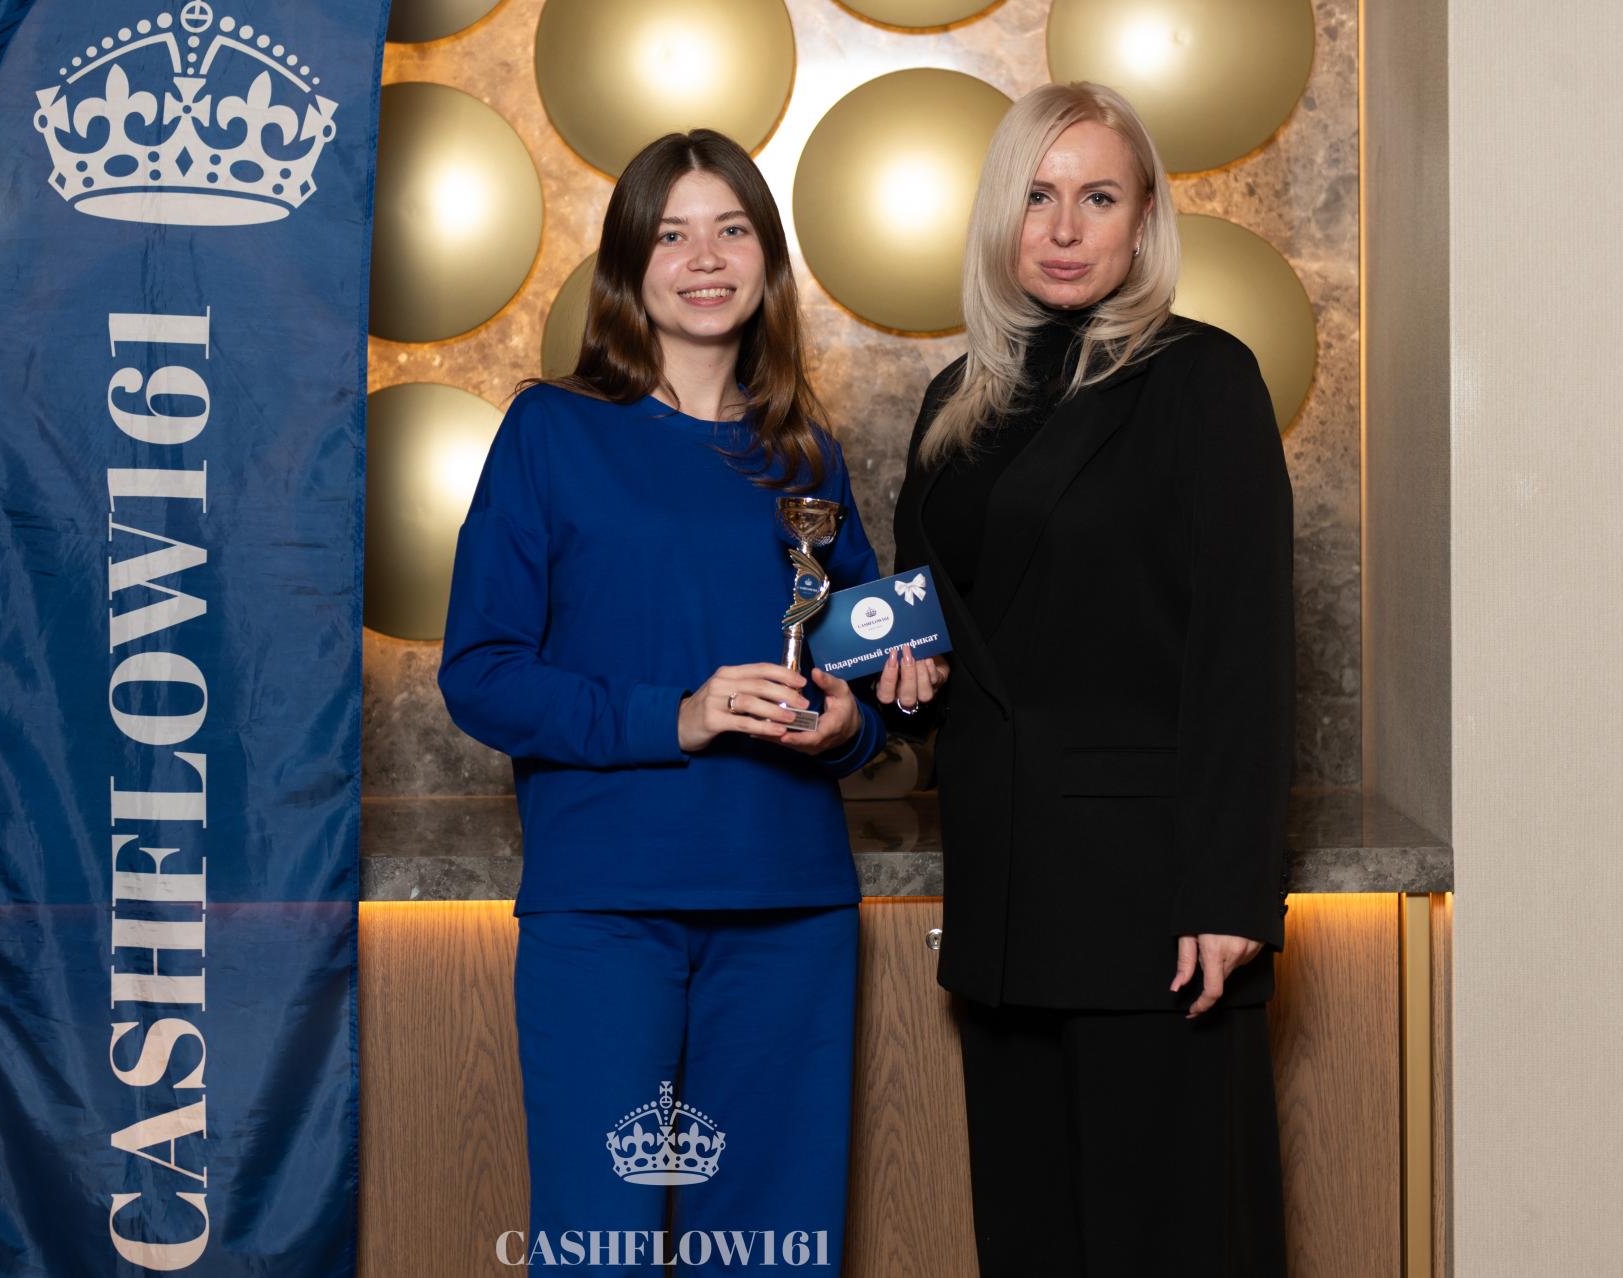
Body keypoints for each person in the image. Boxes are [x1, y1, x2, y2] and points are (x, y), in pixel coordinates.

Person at [438, 129, 884, 1275]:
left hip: (790, 905)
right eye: (673, 233)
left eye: (731, 229)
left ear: (767, 259)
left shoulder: (808, 459)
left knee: (777, 1256)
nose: (705, 257)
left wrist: (849, 729)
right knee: (600, 1250)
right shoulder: (550, 431)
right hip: (606, 909)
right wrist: (673, 716)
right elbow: (480, 672)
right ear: (630, 264)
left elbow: (867, 671)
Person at [877, 82, 1294, 1276]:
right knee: (1033, 1241)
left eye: (1098, 197)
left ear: (1144, 218)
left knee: (1171, 1243)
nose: (1064, 229)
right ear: (1000, 218)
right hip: (1004, 897)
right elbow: (947, 630)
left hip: (1153, 904)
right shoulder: (956, 399)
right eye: (1038, 196)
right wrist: (910, 681)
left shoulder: (1203, 377)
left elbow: (1245, 648)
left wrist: (1230, 893)